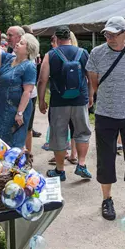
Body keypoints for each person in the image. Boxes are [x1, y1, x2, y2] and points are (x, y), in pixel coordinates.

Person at [87, 16, 125, 221]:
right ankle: (107, 199)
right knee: (105, 159)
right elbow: (94, 82)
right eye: (107, 34)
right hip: (105, 113)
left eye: (114, 34)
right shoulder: (97, 53)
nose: (109, 37)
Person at [38, 25, 93, 181]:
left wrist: (41, 101)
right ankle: (81, 164)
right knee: (82, 132)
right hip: (80, 100)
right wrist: (91, 96)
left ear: (56, 38)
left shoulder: (50, 55)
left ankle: (60, 170)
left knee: (59, 134)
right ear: (70, 37)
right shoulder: (83, 53)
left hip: (58, 101)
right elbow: (91, 77)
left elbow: (43, 80)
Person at [0, 27, 39, 148]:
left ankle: (13, 164)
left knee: (13, 143)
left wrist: (20, 113)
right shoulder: (9, 59)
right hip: (2, 107)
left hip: (15, 109)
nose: (17, 44)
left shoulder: (29, 66)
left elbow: (27, 92)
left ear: (28, 49)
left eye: (21, 43)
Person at [20, 25, 41, 150]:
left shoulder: (29, 60)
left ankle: (28, 154)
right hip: (28, 93)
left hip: (29, 94)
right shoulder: (15, 53)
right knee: (25, 126)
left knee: (27, 126)